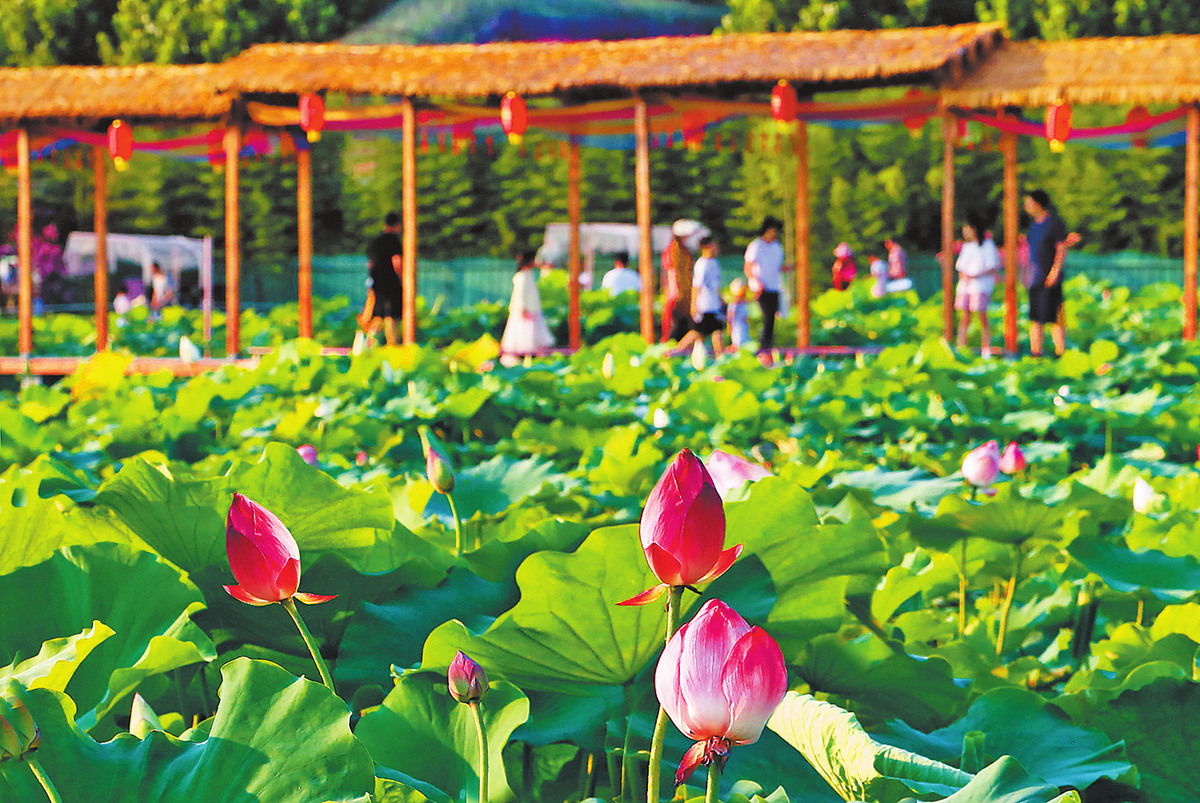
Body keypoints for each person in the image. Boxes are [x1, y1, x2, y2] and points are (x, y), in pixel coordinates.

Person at [1023, 189, 1069, 357]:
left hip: (1050, 276)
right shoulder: (1034, 226)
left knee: (1055, 315)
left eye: (1028, 202)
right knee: (1035, 316)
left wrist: (1055, 271)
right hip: (1034, 277)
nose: (1026, 206)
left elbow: (1061, 247)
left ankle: (1060, 352)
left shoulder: (1054, 223)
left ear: (1038, 203)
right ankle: (1037, 353)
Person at [954, 213, 1000, 356]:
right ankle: (961, 346)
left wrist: (975, 275)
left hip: (981, 286)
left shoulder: (987, 245)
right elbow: (960, 268)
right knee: (965, 317)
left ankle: (986, 348)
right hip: (966, 286)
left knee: (982, 317)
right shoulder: (967, 247)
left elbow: (992, 267)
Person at [674, 236, 725, 355]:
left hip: (714, 304)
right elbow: (697, 286)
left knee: (714, 331)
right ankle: (675, 351)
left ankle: (719, 356)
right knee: (699, 333)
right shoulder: (702, 264)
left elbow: (716, 285)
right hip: (705, 305)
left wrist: (720, 299)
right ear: (706, 247)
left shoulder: (715, 262)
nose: (716, 248)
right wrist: (694, 304)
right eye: (713, 245)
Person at [501, 248, 554, 356]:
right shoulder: (522, 277)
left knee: (533, 336)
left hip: (532, 309)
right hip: (525, 310)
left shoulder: (528, 274)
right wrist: (522, 309)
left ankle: (533, 355)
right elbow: (520, 294)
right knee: (523, 337)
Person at [744, 216, 784, 354]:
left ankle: (768, 345)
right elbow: (748, 267)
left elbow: (777, 267)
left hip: (774, 286)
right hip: (760, 287)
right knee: (766, 316)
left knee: (772, 317)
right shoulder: (756, 246)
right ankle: (762, 346)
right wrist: (756, 282)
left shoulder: (777, 247)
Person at [367, 212, 404, 345]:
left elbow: (370, 264)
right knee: (391, 317)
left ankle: (368, 345)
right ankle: (392, 346)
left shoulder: (375, 242)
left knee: (378, 316)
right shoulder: (393, 241)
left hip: (377, 284)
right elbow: (397, 262)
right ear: (397, 225)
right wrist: (403, 279)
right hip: (391, 284)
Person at [662, 220, 699, 343]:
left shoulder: (684, 250)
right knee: (674, 323)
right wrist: (674, 291)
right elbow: (672, 271)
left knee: (686, 321)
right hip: (677, 291)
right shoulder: (673, 250)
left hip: (686, 290)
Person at [726, 278, 751, 351]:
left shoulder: (743, 303)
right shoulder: (734, 304)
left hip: (745, 328)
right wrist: (729, 327)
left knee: (745, 345)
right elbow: (730, 317)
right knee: (738, 346)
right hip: (738, 328)